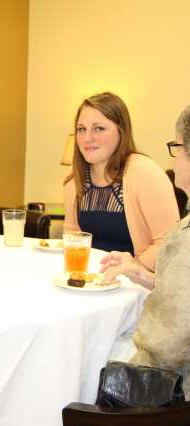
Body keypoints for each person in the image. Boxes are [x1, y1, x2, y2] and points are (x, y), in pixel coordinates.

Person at [101, 104, 190, 395]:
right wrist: (142, 274)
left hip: (173, 392)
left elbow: (166, 345)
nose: (175, 160)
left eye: (177, 147)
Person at [64, 92, 179, 271]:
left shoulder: (145, 173)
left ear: (121, 131)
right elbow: (72, 236)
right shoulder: (74, 177)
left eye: (98, 128)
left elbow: (169, 244)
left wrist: (131, 269)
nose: (87, 138)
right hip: (90, 280)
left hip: (137, 284)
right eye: (81, 129)